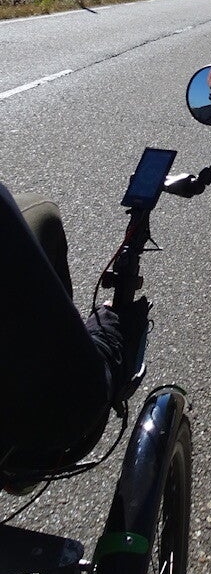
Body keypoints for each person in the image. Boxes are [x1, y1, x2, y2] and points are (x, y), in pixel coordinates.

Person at [0, 184, 149, 482]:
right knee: (44, 214)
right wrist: (110, 335)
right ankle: (55, 371)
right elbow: (84, 400)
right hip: (53, 412)